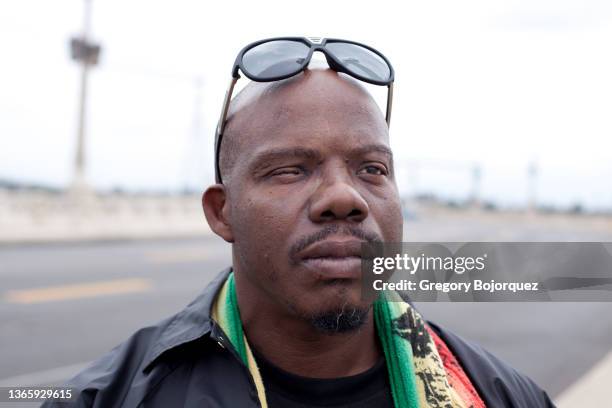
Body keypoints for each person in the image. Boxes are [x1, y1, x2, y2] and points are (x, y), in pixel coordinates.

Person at [44, 37, 555, 408]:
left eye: (372, 169)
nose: (343, 196)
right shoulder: (107, 398)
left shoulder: (501, 395)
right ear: (222, 213)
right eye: (291, 169)